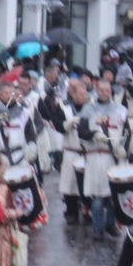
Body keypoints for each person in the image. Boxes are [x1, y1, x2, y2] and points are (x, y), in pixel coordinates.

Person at [78, 81, 131, 239]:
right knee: (98, 195)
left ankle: (111, 224)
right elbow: (81, 131)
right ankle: (98, 228)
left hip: (114, 155)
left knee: (114, 194)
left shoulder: (121, 110)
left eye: (108, 90)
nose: (105, 92)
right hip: (96, 156)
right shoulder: (88, 109)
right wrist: (93, 134)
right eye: (102, 90)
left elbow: (127, 132)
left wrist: (123, 147)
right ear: (97, 90)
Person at [47, 80, 91, 224]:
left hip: (88, 151)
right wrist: (67, 124)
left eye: (85, 93)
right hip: (72, 149)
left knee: (88, 183)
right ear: (73, 93)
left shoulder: (92, 107)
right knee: (70, 182)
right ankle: (71, 210)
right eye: (80, 93)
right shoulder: (64, 106)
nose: (84, 96)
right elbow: (57, 123)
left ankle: (88, 209)